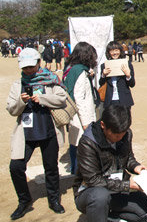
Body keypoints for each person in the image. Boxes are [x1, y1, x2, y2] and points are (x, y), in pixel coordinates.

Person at [7, 48, 66, 220]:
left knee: (51, 167)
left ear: (39, 63)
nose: (29, 70)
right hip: (26, 132)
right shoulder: (18, 84)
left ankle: (54, 200)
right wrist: (21, 101)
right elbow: (11, 109)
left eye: (31, 66)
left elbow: (61, 98)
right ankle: (24, 200)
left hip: (47, 129)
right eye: (25, 67)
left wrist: (43, 99)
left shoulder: (51, 80)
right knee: (16, 167)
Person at [73, 104, 147, 222]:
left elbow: (128, 157)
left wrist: (136, 166)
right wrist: (127, 185)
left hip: (117, 189)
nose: (120, 138)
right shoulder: (88, 143)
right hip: (90, 191)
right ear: (103, 125)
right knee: (100, 197)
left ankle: (112, 217)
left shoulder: (125, 133)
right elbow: (93, 180)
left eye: (123, 134)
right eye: (117, 135)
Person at [63, 42, 98, 175]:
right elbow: (80, 98)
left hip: (73, 115)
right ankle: (80, 176)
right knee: (82, 148)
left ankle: (74, 170)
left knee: (74, 145)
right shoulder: (80, 72)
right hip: (80, 117)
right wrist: (85, 122)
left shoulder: (71, 68)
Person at [99, 41, 135, 110]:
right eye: (112, 51)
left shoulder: (127, 64)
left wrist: (128, 76)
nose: (114, 53)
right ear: (108, 52)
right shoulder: (104, 66)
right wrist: (103, 75)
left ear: (120, 51)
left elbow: (132, 84)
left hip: (124, 100)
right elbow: (101, 83)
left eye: (116, 50)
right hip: (110, 101)